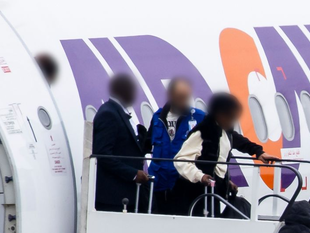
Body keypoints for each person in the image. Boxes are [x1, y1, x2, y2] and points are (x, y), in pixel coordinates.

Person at [173, 92, 275, 217]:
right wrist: (200, 176)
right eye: (230, 116)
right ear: (219, 115)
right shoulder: (202, 133)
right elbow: (181, 159)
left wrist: (259, 153)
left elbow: (239, 142)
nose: (233, 120)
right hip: (197, 193)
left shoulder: (225, 131)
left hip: (213, 191)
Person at [142, 77, 205, 214]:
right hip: (159, 186)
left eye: (186, 97)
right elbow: (146, 145)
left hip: (184, 187)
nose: (184, 102)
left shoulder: (199, 118)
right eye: (180, 97)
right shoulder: (157, 117)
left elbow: (214, 150)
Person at [92, 74, 148, 211]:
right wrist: (133, 173)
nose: (135, 96)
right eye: (132, 91)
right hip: (113, 197)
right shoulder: (109, 114)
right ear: (122, 91)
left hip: (125, 195)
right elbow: (103, 154)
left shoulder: (119, 112)